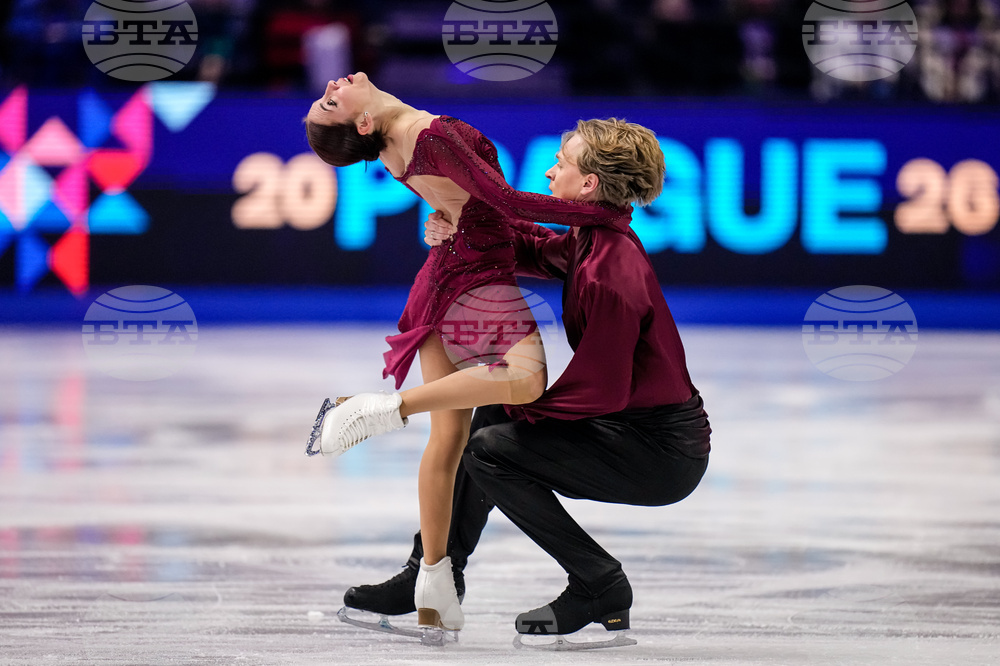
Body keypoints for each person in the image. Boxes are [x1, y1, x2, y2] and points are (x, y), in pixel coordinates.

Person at [341, 117, 711, 643]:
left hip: (659, 452)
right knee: (491, 421)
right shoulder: (594, 238)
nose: (548, 169)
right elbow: (536, 251)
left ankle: (599, 582)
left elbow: (602, 390)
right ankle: (432, 573)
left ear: (588, 186)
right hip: (633, 430)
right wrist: (460, 225)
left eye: (562, 164)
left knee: (490, 446)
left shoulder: (612, 271)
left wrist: (523, 400)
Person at [302, 73, 630, 634]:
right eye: (332, 99)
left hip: (443, 274)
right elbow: (501, 202)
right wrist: (601, 214)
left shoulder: (393, 149)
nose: (335, 82)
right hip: (475, 281)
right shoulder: (428, 136)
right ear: (361, 122)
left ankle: (434, 583)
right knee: (525, 381)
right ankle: (383, 407)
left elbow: (475, 209)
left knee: (449, 440)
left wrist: (446, 222)